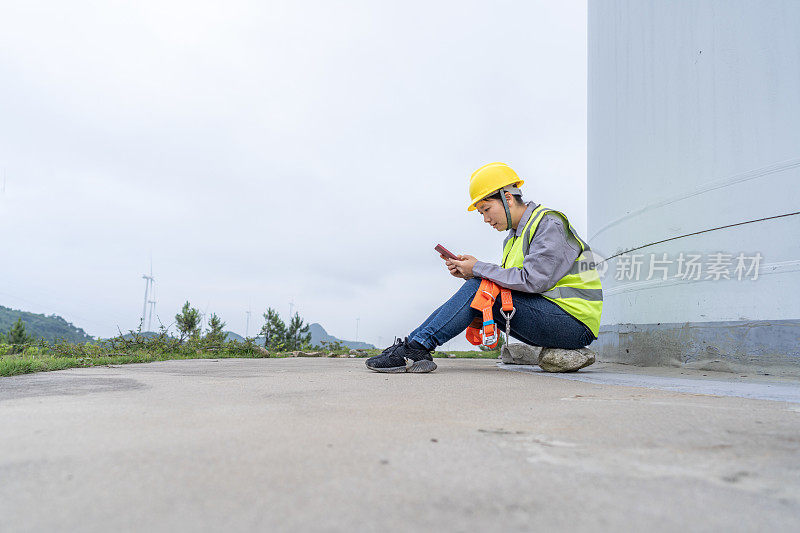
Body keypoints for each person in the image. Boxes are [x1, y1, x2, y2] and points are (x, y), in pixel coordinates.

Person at [366, 162, 603, 373]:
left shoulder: (548, 223)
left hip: (574, 323)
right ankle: (412, 344)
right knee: (479, 286)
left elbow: (533, 281)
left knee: (480, 285)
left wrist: (477, 268)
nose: (486, 219)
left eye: (487, 210)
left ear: (508, 198)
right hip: (552, 315)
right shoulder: (513, 237)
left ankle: (416, 347)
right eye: (481, 213)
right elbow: (508, 285)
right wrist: (469, 272)